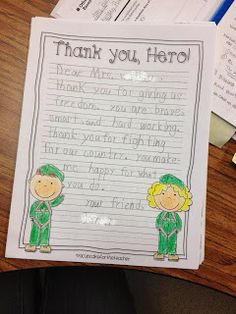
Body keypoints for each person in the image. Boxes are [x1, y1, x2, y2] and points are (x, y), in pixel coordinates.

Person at [148, 174, 192, 261]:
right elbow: (158, 220)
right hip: (162, 231)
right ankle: (161, 252)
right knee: (162, 241)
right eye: (163, 193)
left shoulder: (175, 215)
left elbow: (178, 222)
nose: (168, 198)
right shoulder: (162, 214)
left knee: (172, 242)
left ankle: (172, 253)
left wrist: (177, 228)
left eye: (175, 195)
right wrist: (159, 226)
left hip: (173, 231)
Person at [25, 164, 64, 253]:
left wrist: (59, 199)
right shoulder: (36, 204)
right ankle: (32, 244)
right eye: (39, 182)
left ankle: (44, 245)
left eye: (51, 183)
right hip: (36, 221)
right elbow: (32, 209)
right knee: (35, 231)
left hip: (46, 222)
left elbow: (54, 203)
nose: (45, 187)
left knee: (45, 233)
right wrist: (32, 216)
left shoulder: (49, 203)